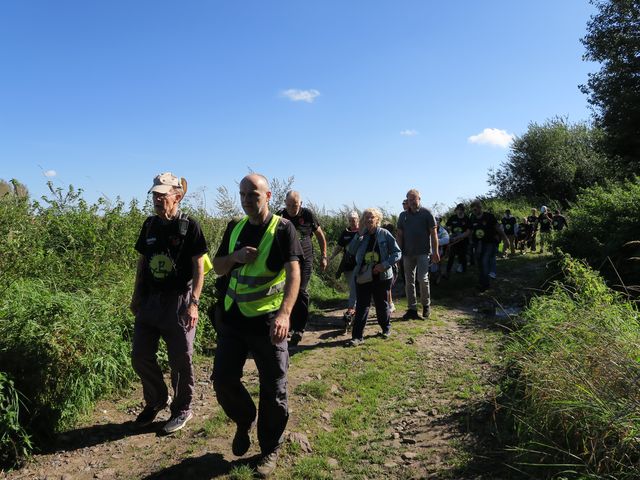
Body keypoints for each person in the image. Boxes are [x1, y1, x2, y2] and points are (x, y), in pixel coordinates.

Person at [212, 174, 303, 478]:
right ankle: (244, 418)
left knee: (274, 388)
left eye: (254, 194)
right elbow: (218, 268)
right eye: (243, 195)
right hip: (233, 319)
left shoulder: (283, 229)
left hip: (268, 322)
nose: (248, 200)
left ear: (268, 195)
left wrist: (284, 314)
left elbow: (294, 273)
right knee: (223, 381)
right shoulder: (234, 228)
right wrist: (235, 257)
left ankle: (270, 448)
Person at [130, 172, 208, 434]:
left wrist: (194, 303)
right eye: (155, 194)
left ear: (177, 196)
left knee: (180, 359)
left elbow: (200, 268)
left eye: (162, 194)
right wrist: (136, 295)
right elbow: (142, 262)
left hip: (180, 301)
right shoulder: (149, 225)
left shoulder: (190, 226)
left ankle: (182, 408)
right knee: (140, 355)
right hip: (151, 301)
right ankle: (155, 400)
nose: (157, 198)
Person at [277, 191, 327, 346]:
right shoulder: (279, 215)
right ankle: (288, 324)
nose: (292, 208)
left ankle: (299, 328)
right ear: (285, 202)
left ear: (301, 203)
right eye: (289, 205)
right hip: (286, 260)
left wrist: (324, 256)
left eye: (295, 205)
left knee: (300, 291)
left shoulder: (308, 214)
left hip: (305, 259)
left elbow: (319, 235)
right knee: (285, 291)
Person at [346, 208, 401, 346]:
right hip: (363, 275)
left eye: (372, 217)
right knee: (362, 306)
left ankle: (386, 328)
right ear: (363, 220)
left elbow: (397, 252)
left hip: (382, 276)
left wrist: (384, 265)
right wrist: (358, 236)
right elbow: (351, 251)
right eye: (366, 218)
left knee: (381, 305)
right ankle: (357, 337)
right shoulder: (361, 235)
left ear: (378, 219)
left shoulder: (384, 234)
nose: (369, 220)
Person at [397, 189, 439, 319]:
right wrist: (398, 253)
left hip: (423, 252)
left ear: (419, 199)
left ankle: (426, 306)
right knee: (409, 281)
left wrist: (435, 251)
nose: (412, 202)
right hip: (407, 253)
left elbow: (434, 234)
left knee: (422, 279)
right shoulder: (403, 216)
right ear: (407, 201)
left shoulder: (427, 213)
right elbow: (399, 235)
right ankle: (412, 309)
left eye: (414, 199)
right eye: (409, 200)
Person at [328, 211, 360, 331]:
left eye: (354, 219)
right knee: (353, 288)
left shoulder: (363, 231)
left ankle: (354, 310)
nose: (352, 222)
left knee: (358, 289)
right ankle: (352, 311)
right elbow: (339, 247)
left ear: (358, 219)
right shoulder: (345, 233)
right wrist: (331, 257)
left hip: (361, 265)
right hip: (348, 265)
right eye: (350, 220)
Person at [469, 200, 509, 291]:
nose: (474, 212)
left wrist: (506, 239)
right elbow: (470, 231)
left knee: (484, 261)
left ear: (479, 208)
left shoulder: (489, 217)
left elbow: (498, 229)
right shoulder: (472, 218)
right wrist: (470, 241)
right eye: (472, 210)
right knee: (479, 263)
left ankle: (485, 285)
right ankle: (481, 281)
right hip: (478, 244)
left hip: (489, 243)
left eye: (475, 210)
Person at [445, 203, 471, 277]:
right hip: (454, 241)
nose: (460, 211)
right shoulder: (453, 218)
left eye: (461, 210)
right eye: (458, 209)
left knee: (463, 256)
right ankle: (447, 272)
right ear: (456, 210)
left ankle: (464, 271)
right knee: (451, 256)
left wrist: (460, 237)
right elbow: (446, 227)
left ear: (464, 210)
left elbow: (468, 232)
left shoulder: (467, 219)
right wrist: (447, 234)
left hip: (464, 241)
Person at [429, 217, 450, 284]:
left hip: (439, 250)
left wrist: (434, 241)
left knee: (436, 264)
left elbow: (446, 239)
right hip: (428, 250)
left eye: (437, 221)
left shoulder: (443, 231)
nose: (435, 222)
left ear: (439, 222)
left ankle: (438, 276)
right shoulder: (427, 229)